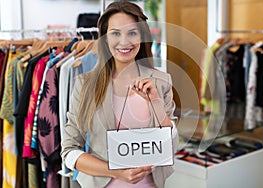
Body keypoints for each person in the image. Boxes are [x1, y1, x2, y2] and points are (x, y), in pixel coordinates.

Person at [61, 1, 179, 188]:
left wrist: (155, 102)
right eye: (116, 33)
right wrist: (115, 171)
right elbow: (69, 151)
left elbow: (171, 144)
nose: (124, 42)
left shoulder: (161, 81)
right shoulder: (85, 85)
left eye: (132, 32)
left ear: (142, 36)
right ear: (105, 38)